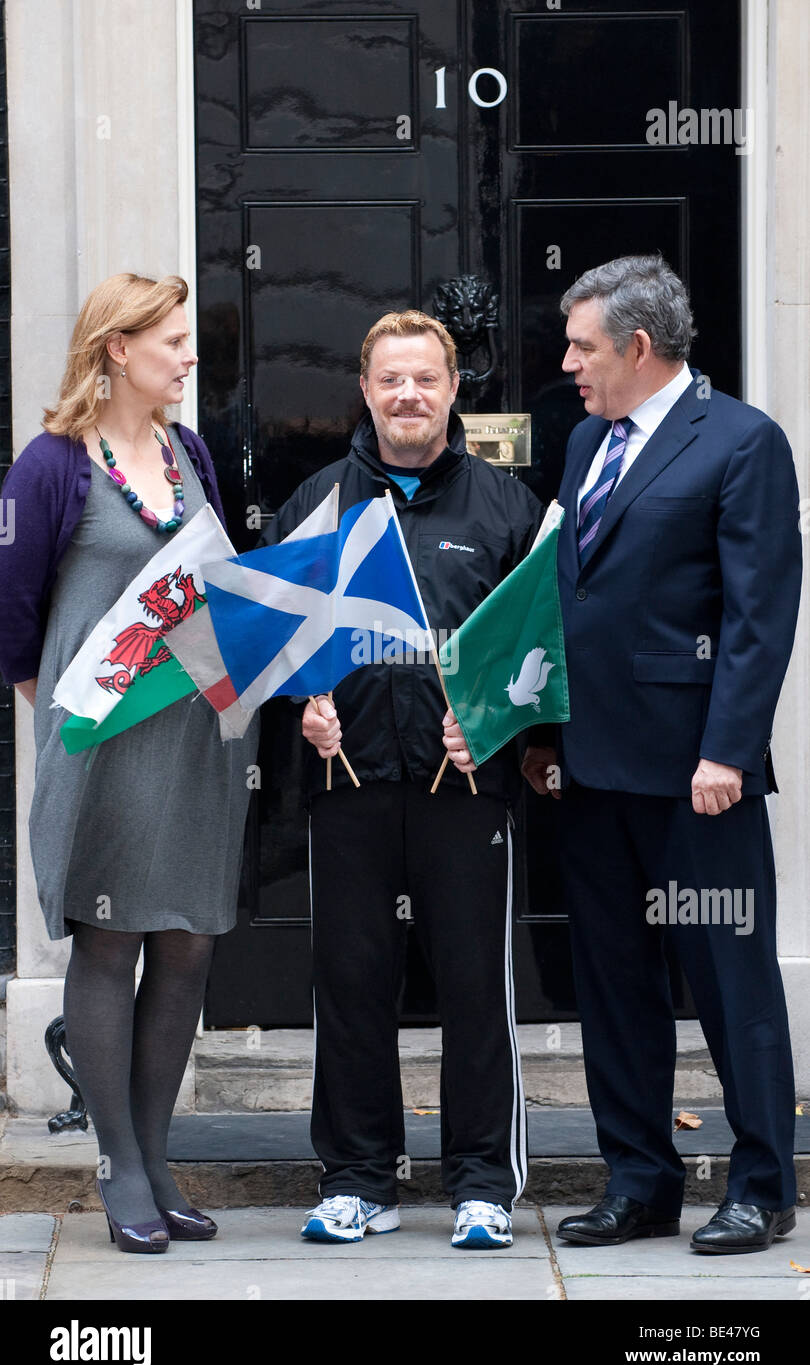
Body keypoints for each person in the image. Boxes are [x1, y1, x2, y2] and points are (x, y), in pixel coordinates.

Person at [522, 254, 802, 1254]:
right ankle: (640, 1180)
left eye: (582, 346)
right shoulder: (587, 442)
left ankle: (764, 1185)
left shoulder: (741, 443)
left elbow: (758, 618)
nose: (568, 364)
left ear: (638, 348)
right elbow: (570, 602)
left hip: (698, 782)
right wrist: (549, 736)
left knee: (730, 981)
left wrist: (728, 750)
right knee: (614, 985)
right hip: (595, 774)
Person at [261, 310, 542, 1249]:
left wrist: (495, 725)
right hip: (348, 785)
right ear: (366, 389)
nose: (408, 395)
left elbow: (544, 650)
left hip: (465, 790)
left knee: (473, 987)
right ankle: (356, 1178)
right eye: (391, 380)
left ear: (454, 389)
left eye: (426, 378)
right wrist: (301, 708)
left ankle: (481, 1184)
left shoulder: (508, 508)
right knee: (350, 984)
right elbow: (271, 647)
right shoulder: (317, 503)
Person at [0, 273, 257, 1253]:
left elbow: (216, 583)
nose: (190, 357)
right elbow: (15, 621)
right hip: (101, 747)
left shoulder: (191, 453)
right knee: (108, 945)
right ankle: (115, 1168)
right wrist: (75, 709)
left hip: (197, 742)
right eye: (174, 342)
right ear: (116, 348)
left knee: (187, 942)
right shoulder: (52, 466)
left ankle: (156, 1159)